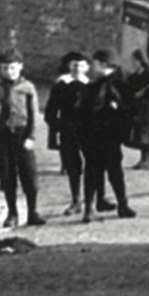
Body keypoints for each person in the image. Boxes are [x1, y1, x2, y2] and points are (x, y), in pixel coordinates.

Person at [0, 51, 45, 229]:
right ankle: (12, 213)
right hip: (4, 135)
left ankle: (33, 212)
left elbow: (34, 114)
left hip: (22, 134)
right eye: (4, 68)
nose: (9, 71)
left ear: (20, 67)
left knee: (29, 174)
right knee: (8, 175)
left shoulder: (27, 87)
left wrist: (31, 136)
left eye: (12, 67)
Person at [78, 48, 137, 222]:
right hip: (110, 136)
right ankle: (122, 205)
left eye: (94, 63)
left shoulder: (98, 86)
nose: (91, 67)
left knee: (92, 172)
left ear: (103, 64)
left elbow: (84, 111)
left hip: (94, 135)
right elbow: (128, 110)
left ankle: (89, 208)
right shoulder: (119, 84)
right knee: (114, 172)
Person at [43, 50, 91, 217]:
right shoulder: (61, 85)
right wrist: (58, 125)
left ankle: (90, 202)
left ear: (87, 68)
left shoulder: (91, 86)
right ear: (69, 66)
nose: (77, 68)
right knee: (72, 167)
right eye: (74, 65)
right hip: (68, 131)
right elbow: (50, 111)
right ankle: (76, 200)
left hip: (88, 132)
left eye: (81, 65)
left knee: (92, 166)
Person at [124, 49, 149, 171]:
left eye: (134, 61)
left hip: (148, 108)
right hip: (138, 109)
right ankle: (146, 160)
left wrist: (146, 92)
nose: (133, 63)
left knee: (148, 135)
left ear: (140, 61)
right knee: (142, 136)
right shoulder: (134, 76)